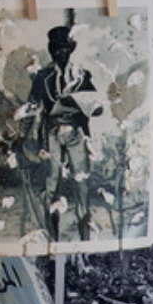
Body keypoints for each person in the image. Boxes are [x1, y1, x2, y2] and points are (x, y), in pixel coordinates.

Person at [23, 17, 102, 240]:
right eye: (58, 50)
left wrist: (93, 108)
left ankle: (85, 235)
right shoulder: (42, 77)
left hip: (76, 133)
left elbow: (94, 105)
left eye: (66, 50)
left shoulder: (82, 75)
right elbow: (34, 108)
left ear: (71, 50)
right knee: (52, 183)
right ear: (52, 51)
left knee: (81, 181)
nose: (62, 54)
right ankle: (53, 236)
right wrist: (32, 139)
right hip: (51, 134)